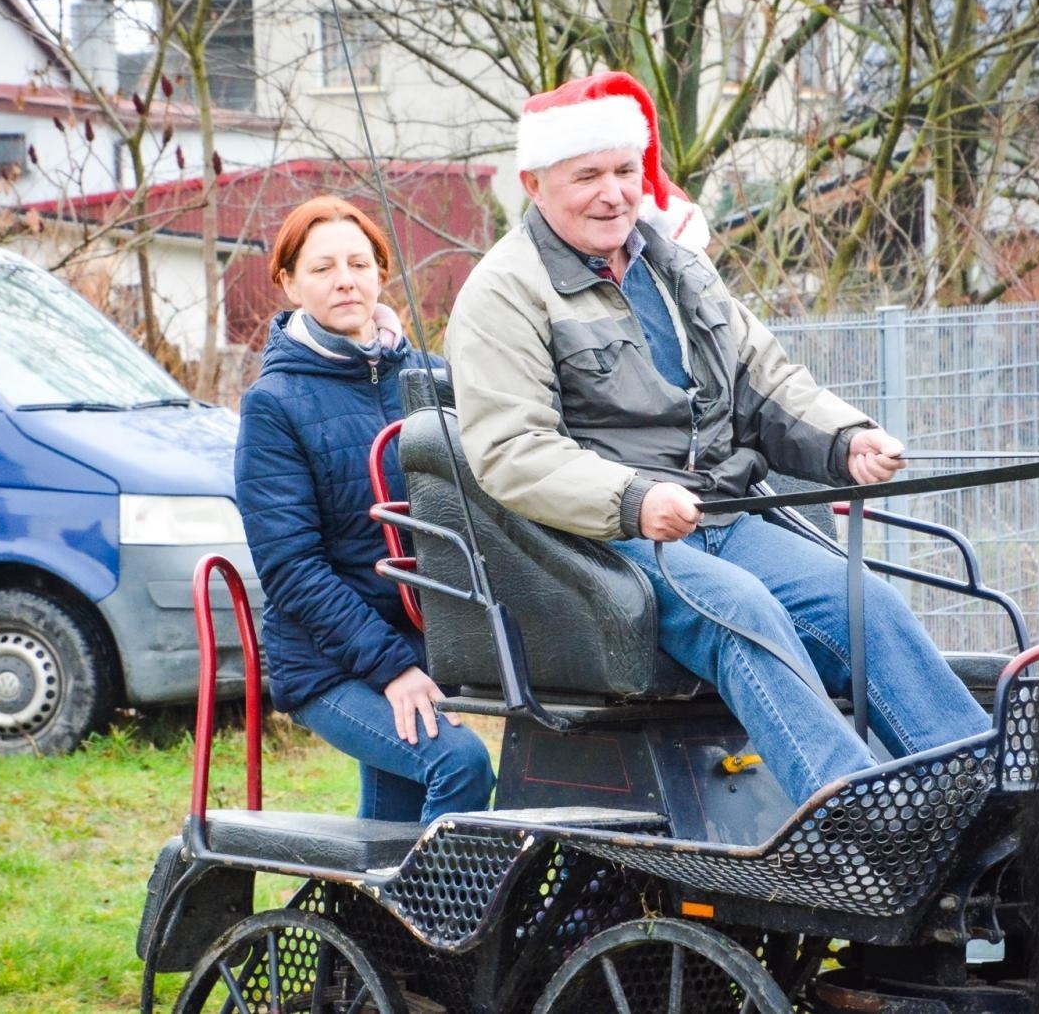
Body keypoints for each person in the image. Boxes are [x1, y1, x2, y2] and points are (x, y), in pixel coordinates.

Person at [444, 73, 990, 807]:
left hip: (722, 515)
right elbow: (513, 451)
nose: (613, 193)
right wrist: (634, 499)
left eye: (624, 172)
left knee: (864, 605)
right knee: (743, 613)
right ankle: (853, 815)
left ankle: (974, 797)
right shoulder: (502, 291)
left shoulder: (679, 267)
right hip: (594, 543)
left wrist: (846, 439)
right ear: (535, 183)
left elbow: (763, 380)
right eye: (588, 176)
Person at [234, 196, 495, 824]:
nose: (344, 279)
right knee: (457, 763)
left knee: (396, 823)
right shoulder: (275, 404)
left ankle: (374, 922)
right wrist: (394, 668)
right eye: (322, 268)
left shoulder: (432, 379)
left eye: (358, 262)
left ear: (381, 271)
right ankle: (444, 923)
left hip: (429, 647)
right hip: (329, 662)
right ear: (290, 282)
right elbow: (292, 569)